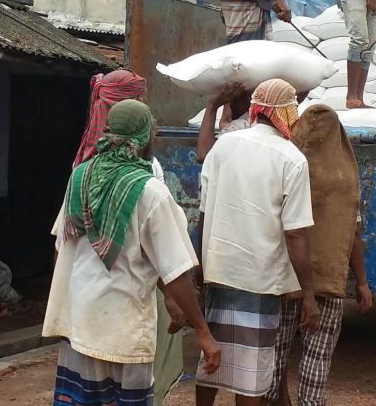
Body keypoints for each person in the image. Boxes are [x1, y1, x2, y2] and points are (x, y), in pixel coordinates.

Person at [45, 100, 221, 406]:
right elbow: (175, 268)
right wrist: (203, 331)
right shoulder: (149, 191)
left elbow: (61, 246)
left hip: (80, 322)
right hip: (123, 328)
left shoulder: (80, 178)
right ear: (144, 137)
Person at [196, 79, 320, 406]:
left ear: (255, 109)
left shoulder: (224, 145)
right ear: (289, 113)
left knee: (212, 356)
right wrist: (308, 293)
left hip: (219, 268)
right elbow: (295, 233)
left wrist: (201, 263)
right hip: (261, 278)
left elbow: (204, 214)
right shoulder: (292, 159)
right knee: (252, 367)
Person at [71, 68, 185, 406]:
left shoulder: (83, 167)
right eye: (141, 98)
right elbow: (162, 249)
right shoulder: (147, 175)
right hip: (132, 296)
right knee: (136, 383)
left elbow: (65, 244)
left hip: (86, 303)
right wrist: (187, 313)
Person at [262, 104, 373, 406]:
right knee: (318, 356)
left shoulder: (285, 167)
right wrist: (361, 282)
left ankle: (270, 400)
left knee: (276, 351)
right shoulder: (345, 179)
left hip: (287, 277)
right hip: (328, 279)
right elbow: (352, 235)